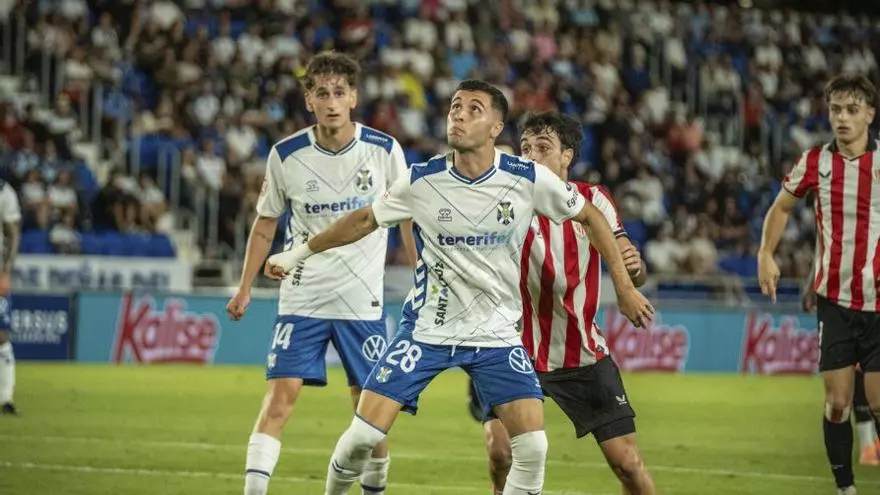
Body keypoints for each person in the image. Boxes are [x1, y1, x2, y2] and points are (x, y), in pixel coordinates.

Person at [267, 79, 655, 495]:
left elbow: (593, 217)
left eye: (474, 109)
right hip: (427, 331)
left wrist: (626, 287)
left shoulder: (526, 180)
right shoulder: (422, 179)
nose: (459, 114)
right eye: (455, 106)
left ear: (495, 128)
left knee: (533, 448)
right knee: (364, 437)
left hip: (495, 336)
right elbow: (364, 219)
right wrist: (297, 253)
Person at [225, 51, 415, 495]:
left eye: (339, 93)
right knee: (279, 400)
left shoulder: (384, 150)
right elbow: (266, 223)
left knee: (370, 414)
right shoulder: (286, 154)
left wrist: (419, 273)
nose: (331, 102)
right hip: (303, 295)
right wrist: (245, 287)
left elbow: (407, 217)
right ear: (309, 100)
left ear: (354, 98)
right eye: (322, 93)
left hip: (361, 300)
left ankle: (373, 490)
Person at [465, 112, 657, 494]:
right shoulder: (506, 200)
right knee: (501, 453)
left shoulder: (594, 200)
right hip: (514, 350)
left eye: (543, 147)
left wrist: (634, 273)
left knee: (628, 464)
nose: (531, 156)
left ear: (567, 155)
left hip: (580, 353)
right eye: (526, 148)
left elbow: (631, 267)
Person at [758, 73, 880, 495]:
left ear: (869, 114)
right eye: (835, 109)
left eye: (852, 110)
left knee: (878, 401)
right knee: (838, 403)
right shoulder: (815, 162)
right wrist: (766, 253)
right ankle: (846, 488)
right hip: (835, 303)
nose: (842, 118)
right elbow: (781, 207)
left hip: (878, 302)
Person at [803, 267, 880, 467]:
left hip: (872, 301)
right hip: (845, 302)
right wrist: (812, 284)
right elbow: (823, 251)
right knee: (853, 378)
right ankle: (867, 444)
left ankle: (870, 442)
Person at [0, 177, 21, 416]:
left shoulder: (4, 192)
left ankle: (6, 398)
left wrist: (6, 271)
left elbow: (12, 234)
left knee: (1, 334)